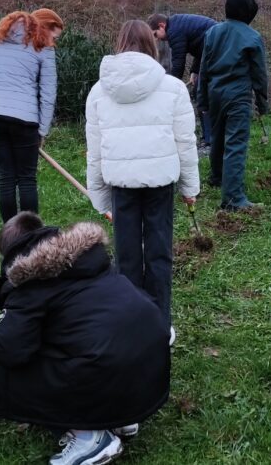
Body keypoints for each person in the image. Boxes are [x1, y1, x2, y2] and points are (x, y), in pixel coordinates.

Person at [0, 212, 169, 465]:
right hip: (150, 363)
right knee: (89, 339)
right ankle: (121, 419)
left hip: (112, 366)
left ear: (11, 257)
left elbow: (9, 350)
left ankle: (90, 438)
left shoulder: (29, 284)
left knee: (2, 368)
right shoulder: (89, 259)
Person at [86, 20, 199, 336]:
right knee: (159, 254)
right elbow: (185, 142)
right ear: (152, 45)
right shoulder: (174, 88)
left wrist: (100, 196)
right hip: (160, 184)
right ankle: (159, 327)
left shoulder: (98, 92)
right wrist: (190, 187)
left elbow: (94, 150)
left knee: (126, 257)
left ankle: (130, 328)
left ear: (119, 44)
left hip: (120, 184)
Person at [0, 9, 64, 222]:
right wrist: (42, 130)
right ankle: (30, 236)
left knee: (5, 178)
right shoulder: (43, 49)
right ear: (44, 27)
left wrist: (0, 100)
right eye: (54, 36)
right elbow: (48, 94)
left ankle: (10, 236)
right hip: (25, 121)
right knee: (27, 179)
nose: (54, 41)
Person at [197, 0, 270, 211]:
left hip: (215, 92)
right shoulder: (252, 36)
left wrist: (202, 99)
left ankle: (217, 176)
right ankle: (233, 198)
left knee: (218, 137)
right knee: (236, 143)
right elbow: (259, 74)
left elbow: (204, 68)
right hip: (238, 95)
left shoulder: (212, 32)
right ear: (249, 12)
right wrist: (262, 102)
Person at [147, 12, 218, 151]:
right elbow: (201, 47)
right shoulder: (177, 24)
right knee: (200, 92)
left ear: (162, 26)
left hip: (217, 51)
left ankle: (210, 141)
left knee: (201, 93)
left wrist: (170, 87)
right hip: (212, 50)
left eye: (155, 35)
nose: (157, 40)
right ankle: (209, 139)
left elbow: (178, 63)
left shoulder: (174, 30)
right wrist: (194, 71)